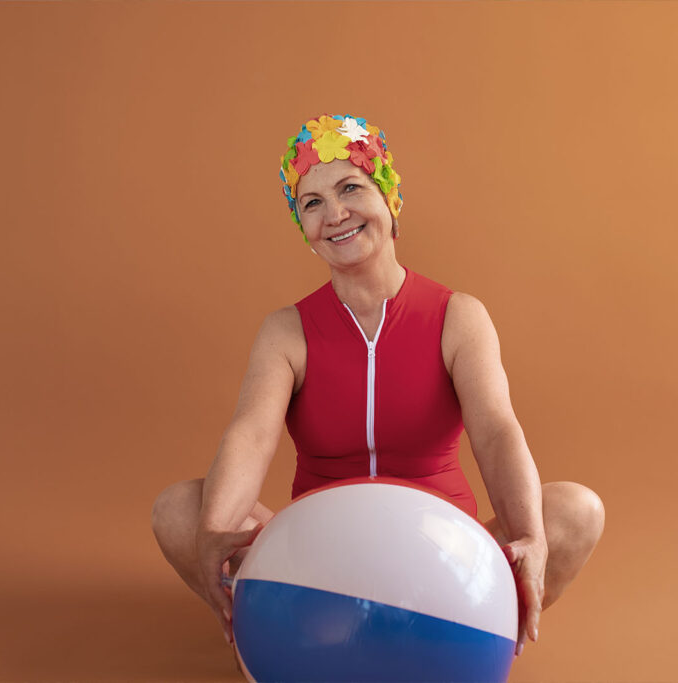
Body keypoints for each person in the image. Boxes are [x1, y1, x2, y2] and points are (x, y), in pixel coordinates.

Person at [151, 114, 605, 658]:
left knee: (576, 510)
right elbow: (250, 434)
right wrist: (214, 530)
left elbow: (497, 430)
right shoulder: (286, 330)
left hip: (442, 552)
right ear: (303, 225)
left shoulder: (458, 316)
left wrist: (529, 535)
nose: (335, 214)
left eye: (350, 188)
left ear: (389, 197)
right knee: (181, 510)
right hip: (320, 554)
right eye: (312, 203)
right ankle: (278, 636)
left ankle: (467, 630)